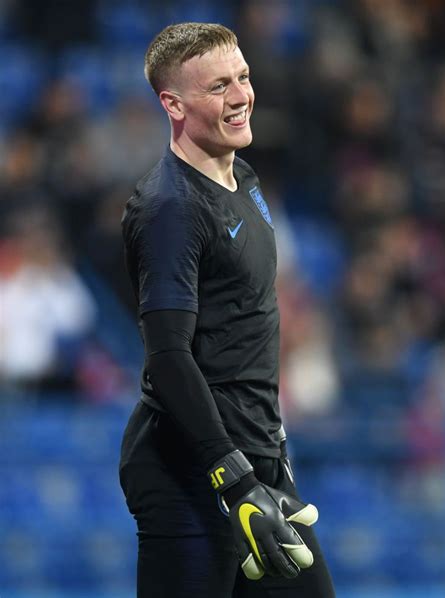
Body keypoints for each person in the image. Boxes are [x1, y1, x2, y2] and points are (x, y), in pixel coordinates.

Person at [119, 22, 335, 598]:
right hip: (193, 474)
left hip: (257, 461)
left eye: (242, 77)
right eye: (218, 87)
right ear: (174, 104)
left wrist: (271, 456)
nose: (240, 95)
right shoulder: (170, 209)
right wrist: (233, 478)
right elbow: (167, 356)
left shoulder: (244, 177)